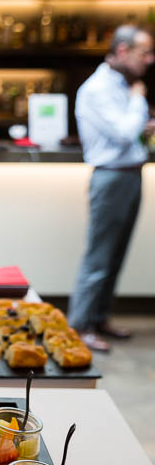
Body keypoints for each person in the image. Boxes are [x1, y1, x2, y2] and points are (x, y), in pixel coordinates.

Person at [68, 24, 155, 352]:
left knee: (116, 254)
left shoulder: (121, 84)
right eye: (143, 52)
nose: (149, 59)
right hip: (111, 177)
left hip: (130, 174)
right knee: (99, 256)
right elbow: (121, 133)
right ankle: (79, 325)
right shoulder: (99, 88)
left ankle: (99, 317)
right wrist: (138, 101)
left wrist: (141, 121)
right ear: (122, 51)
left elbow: (128, 130)